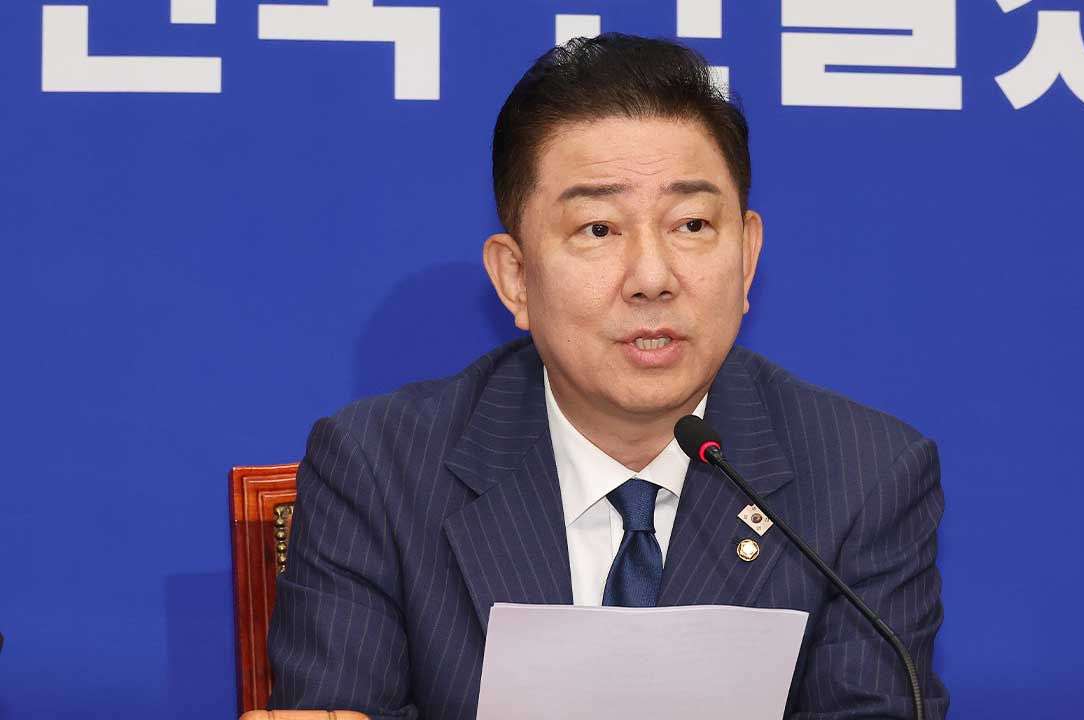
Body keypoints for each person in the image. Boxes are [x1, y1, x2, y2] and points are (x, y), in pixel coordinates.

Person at [267, 33, 948, 720]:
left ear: (746, 258)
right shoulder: (380, 471)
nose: (652, 277)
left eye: (691, 224)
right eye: (598, 229)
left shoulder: (866, 476)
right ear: (516, 278)